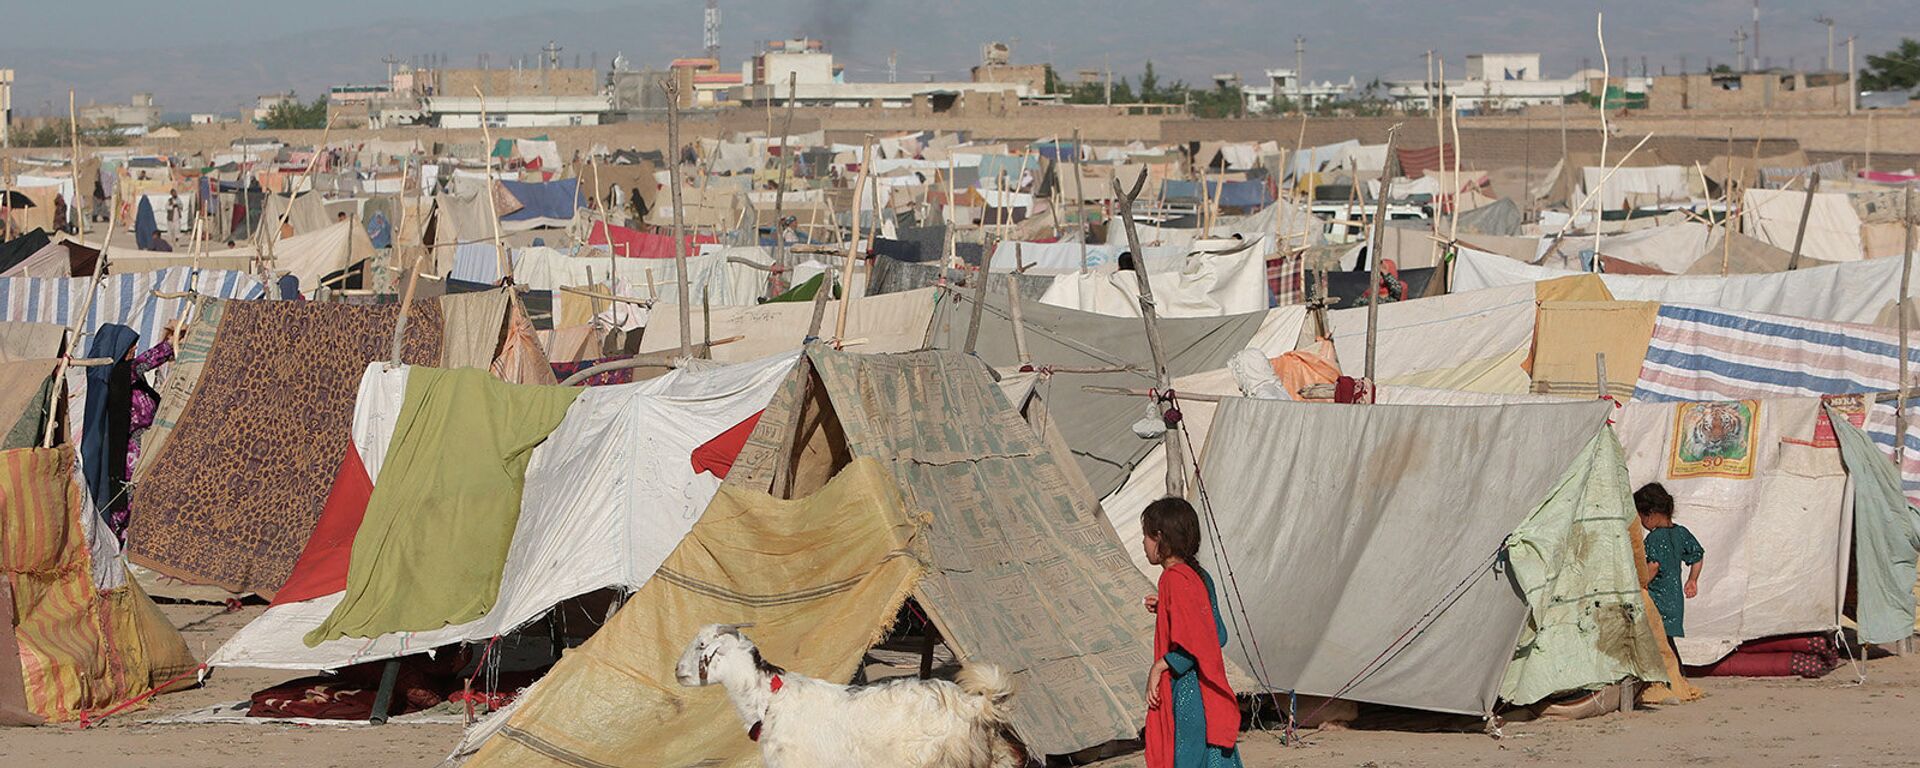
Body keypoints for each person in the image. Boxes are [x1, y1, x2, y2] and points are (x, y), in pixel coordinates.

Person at [1140, 497, 1242, 768]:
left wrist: (1160, 666)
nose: (1144, 544)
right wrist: (1169, 610)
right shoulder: (1200, 576)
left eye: (1147, 536)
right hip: (1208, 689)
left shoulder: (1173, 579)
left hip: (1186, 693)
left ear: (1160, 538)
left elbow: (1195, 644)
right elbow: (1217, 634)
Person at [81, 323, 175, 541]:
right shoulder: (118, 375)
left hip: (145, 451)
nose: (134, 350)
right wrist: (170, 345)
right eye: (130, 346)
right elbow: (145, 362)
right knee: (127, 508)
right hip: (129, 458)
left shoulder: (132, 381)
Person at [1636, 483, 1704, 651]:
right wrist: (1692, 580)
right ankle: (1676, 673)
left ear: (1650, 514)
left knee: (1659, 643)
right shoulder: (1681, 532)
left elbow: (1653, 565)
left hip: (1658, 599)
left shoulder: (1655, 538)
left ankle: (1675, 674)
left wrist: (1639, 584)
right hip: (1674, 600)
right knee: (1667, 642)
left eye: (1641, 519)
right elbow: (1698, 555)